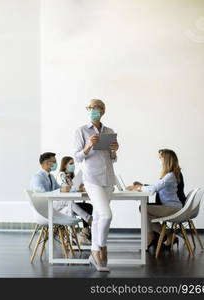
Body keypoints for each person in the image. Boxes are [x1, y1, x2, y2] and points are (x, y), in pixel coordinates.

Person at [74, 99, 119, 272]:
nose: (93, 110)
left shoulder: (109, 131)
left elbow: (112, 159)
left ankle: (94, 253)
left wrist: (114, 150)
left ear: (103, 111)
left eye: (97, 108)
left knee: (100, 217)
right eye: (90, 108)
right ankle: (101, 247)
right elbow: (77, 157)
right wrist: (88, 146)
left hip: (108, 177)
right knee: (106, 215)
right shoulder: (81, 131)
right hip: (91, 178)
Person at [127, 149, 183, 250]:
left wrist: (138, 188)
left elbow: (153, 189)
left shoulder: (170, 176)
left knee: (144, 208)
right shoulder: (169, 175)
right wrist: (142, 186)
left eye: (160, 158)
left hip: (173, 208)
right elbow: (157, 187)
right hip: (171, 207)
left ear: (166, 160)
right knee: (146, 211)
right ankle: (167, 234)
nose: (159, 160)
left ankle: (151, 235)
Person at [57, 156, 93, 245]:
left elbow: (72, 188)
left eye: (74, 163)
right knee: (74, 205)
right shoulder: (61, 175)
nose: (73, 165)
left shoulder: (69, 176)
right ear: (65, 165)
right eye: (71, 163)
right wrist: (76, 188)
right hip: (63, 205)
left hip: (70, 203)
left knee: (88, 206)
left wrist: (79, 187)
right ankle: (89, 221)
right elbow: (66, 189)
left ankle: (85, 232)